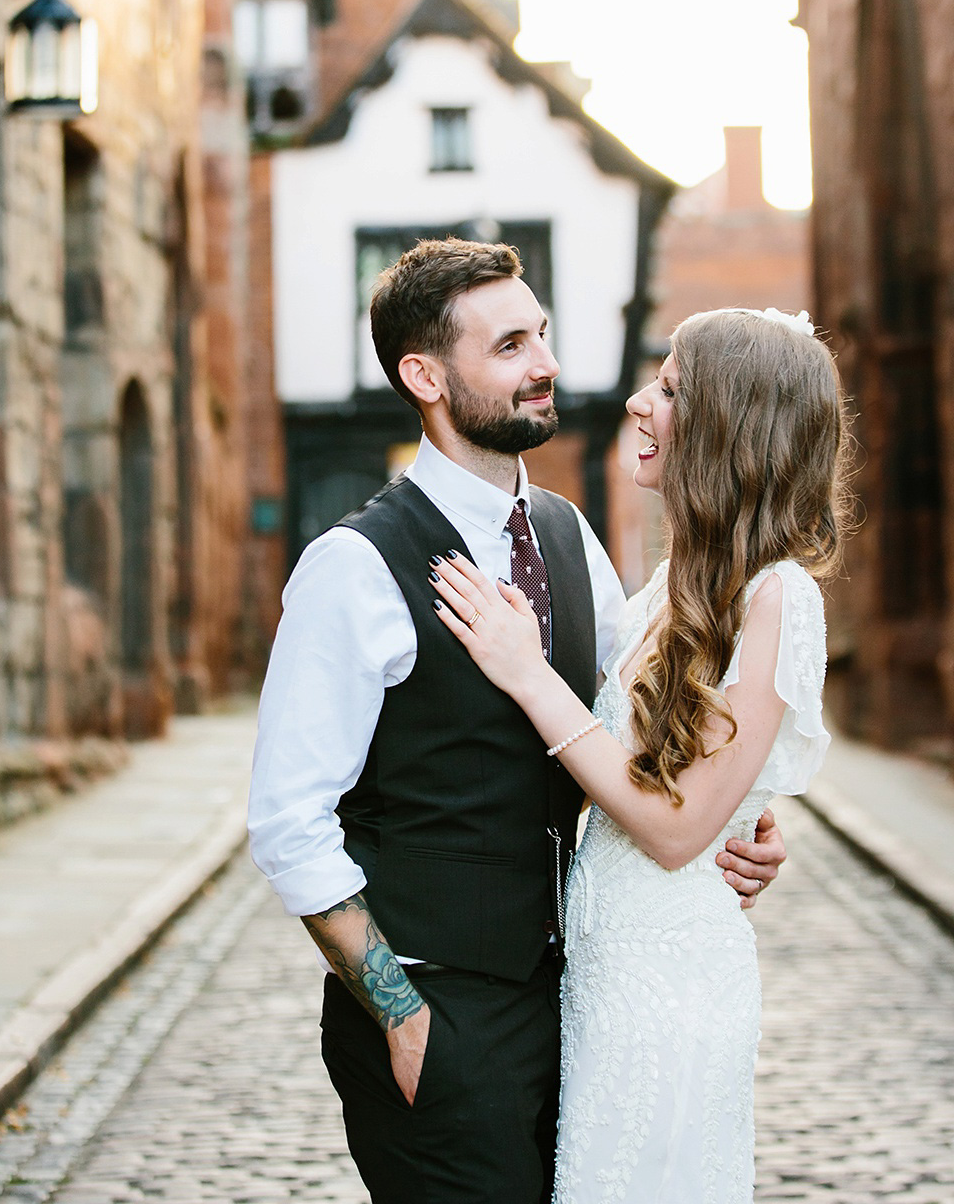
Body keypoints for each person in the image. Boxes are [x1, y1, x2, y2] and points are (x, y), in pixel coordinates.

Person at [248, 242, 788, 1204]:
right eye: (508, 345)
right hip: (437, 1008)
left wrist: (728, 826)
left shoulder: (573, 538)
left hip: (578, 1005)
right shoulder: (353, 567)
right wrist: (401, 1015)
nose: (544, 362)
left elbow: (637, 738)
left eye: (540, 333)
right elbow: (290, 822)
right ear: (427, 376)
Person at [426, 304, 851, 1203]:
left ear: (729, 426)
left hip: (672, 994)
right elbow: (672, 778)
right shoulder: (673, 584)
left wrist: (524, 672)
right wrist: (744, 811)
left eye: (668, 389)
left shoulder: (778, 597)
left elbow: (675, 829)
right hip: (605, 983)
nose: (636, 403)